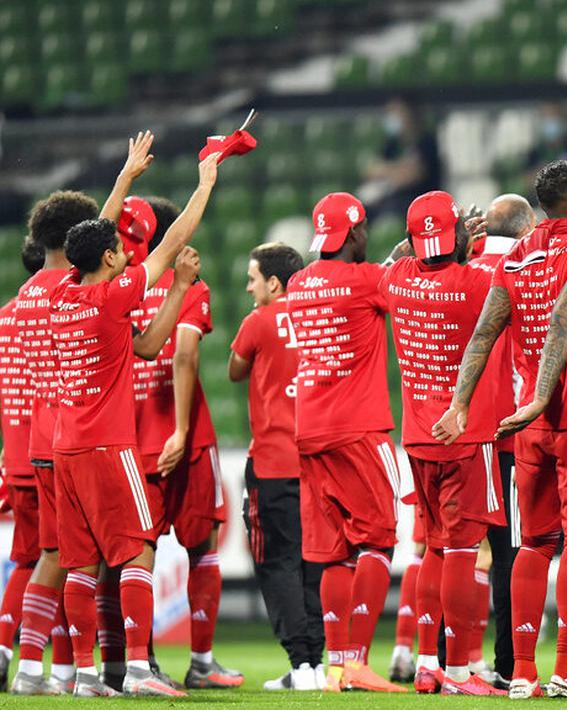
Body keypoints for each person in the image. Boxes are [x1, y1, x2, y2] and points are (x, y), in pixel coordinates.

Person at [434, 159, 567, 701]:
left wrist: (460, 404)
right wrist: (544, 394)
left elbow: (484, 331)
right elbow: (566, 316)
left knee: (534, 543)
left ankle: (521, 672)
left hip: (528, 428)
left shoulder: (516, 255)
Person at [50, 149, 220, 699]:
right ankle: (141, 669)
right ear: (107, 258)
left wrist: (124, 177)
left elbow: (145, 346)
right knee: (136, 548)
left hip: (66, 450)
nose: (127, 252)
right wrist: (205, 182)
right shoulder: (112, 297)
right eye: (119, 249)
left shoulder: (64, 295)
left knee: (81, 564)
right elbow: (174, 241)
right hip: (108, 447)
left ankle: (86, 675)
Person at [9, 132, 157, 696]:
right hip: (85, 434)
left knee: (60, 556)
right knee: (98, 555)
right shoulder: (76, 289)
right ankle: (102, 669)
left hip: (42, 442)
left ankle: (48, 669)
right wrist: (125, 179)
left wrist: (124, 176)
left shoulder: (30, 292)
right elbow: (104, 234)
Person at [381, 191, 507, 696]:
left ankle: (427, 662)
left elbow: (392, 258)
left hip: (416, 437)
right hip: (465, 434)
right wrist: (466, 244)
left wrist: (425, 239)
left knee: (432, 548)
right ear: (456, 234)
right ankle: (457, 671)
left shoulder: (396, 279)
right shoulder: (477, 282)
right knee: (462, 551)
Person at [286, 193, 405, 694]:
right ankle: (357, 660)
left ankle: (336, 667)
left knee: (335, 550)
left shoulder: (298, 282)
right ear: (355, 233)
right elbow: (402, 287)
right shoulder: (367, 281)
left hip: (309, 428)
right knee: (378, 539)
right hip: (358, 428)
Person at [128, 196, 239, 690]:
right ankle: (201, 662)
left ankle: (135, 662)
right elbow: (185, 356)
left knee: (135, 549)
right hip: (187, 438)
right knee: (203, 547)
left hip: (132, 440)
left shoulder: (118, 289)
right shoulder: (189, 285)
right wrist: (179, 428)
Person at [229, 242, 325, 691]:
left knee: (276, 563)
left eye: (253, 280)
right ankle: (316, 664)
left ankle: (300, 664)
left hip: (272, 464)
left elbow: (234, 369)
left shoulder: (259, 321)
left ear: (273, 282)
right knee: (313, 562)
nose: (249, 288)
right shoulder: (319, 317)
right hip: (317, 463)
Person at [460, 193, 536, 688]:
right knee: (511, 553)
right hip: (509, 434)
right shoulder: (526, 267)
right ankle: (509, 665)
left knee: (454, 550)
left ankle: (445, 662)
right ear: (526, 229)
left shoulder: (460, 268)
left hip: (457, 430)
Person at [0, 238, 46, 691]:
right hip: (51, 454)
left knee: (26, 558)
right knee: (66, 558)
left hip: (14, 455)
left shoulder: (3, 319)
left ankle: (2, 649)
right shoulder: (53, 310)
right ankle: (60, 668)